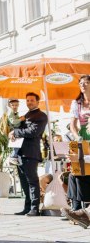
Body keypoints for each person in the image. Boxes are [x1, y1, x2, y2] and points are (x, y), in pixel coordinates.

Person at [8, 92, 48, 217]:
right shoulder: (25, 115)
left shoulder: (41, 116)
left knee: (32, 181)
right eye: (27, 100)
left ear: (37, 102)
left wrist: (15, 131)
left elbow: (33, 131)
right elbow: (18, 126)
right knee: (24, 182)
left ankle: (35, 209)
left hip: (31, 153)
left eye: (31, 100)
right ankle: (27, 207)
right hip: (19, 153)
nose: (29, 102)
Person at [66, 75, 90, 226]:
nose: (83, 85)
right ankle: (77, 210)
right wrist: (77, 137)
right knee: (76, 171)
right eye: (81, 83)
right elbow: (73, 125)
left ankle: (81, 212)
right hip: (83, 140)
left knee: (82, 171)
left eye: (86, 83)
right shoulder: (77, 103)